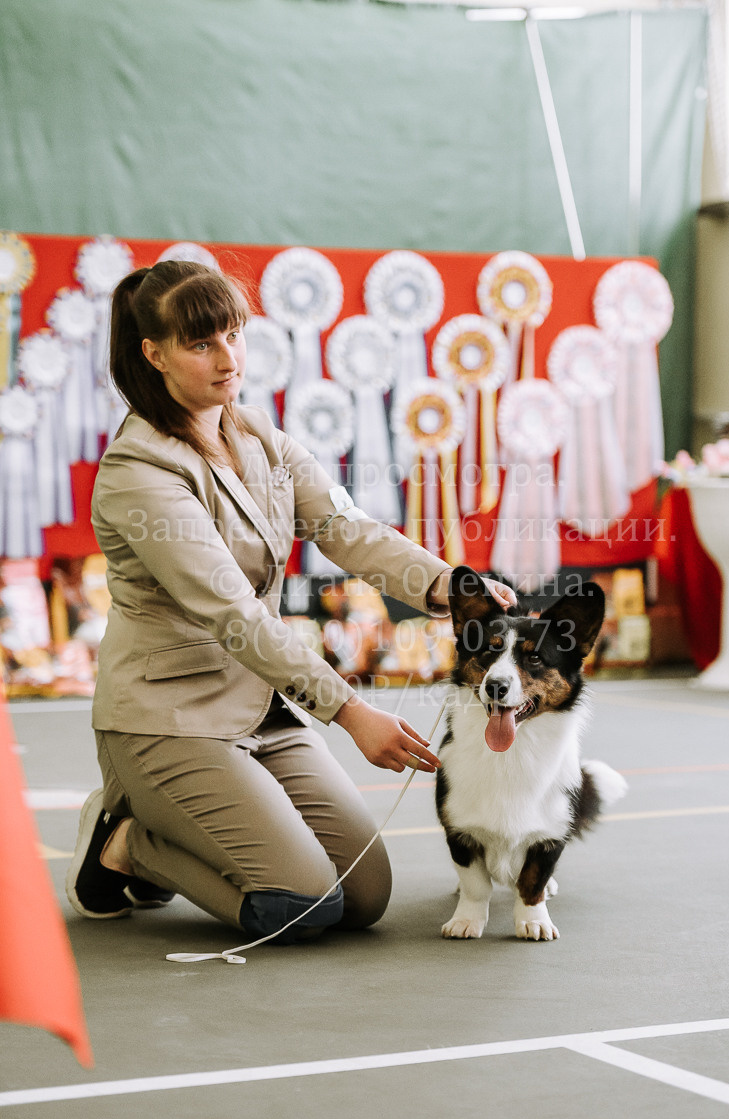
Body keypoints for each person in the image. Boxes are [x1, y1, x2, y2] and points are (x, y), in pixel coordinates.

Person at [66, 260, 515, 945]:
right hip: (168, 721)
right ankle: (127, 842)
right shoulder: (139, 473)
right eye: (201, 344)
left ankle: (162, 835)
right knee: (301, 903)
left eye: (234, 335)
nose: (228, 360)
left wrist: (449, 587)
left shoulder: (257, 436)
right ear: (152, 353)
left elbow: (347, 529)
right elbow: (234, 613)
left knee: (364, 896)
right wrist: (349, 711)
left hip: (257, 708)